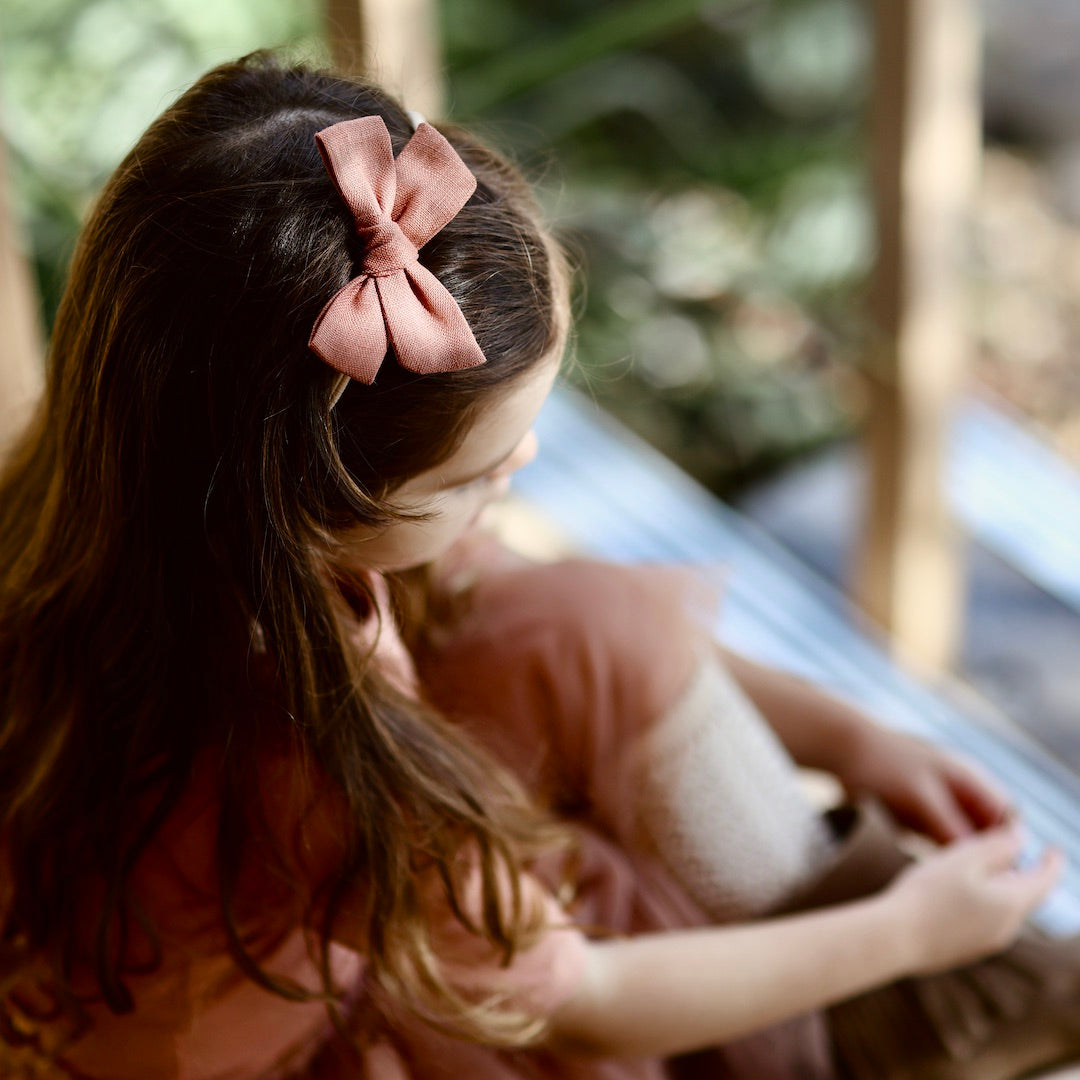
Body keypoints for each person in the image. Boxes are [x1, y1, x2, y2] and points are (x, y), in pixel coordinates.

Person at [0, 51, 1076, 1080]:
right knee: (597, 874)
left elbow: (504, 578)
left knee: (585, 625)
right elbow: (587, 997)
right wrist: (902, 935)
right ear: (312, 504)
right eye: (474, 476)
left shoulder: (132, 493)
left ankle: (915, 986)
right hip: (293, 1042)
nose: (520, 467)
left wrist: (847, 736)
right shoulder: (321, 761)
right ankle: (894, 1006)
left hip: (218, 890)